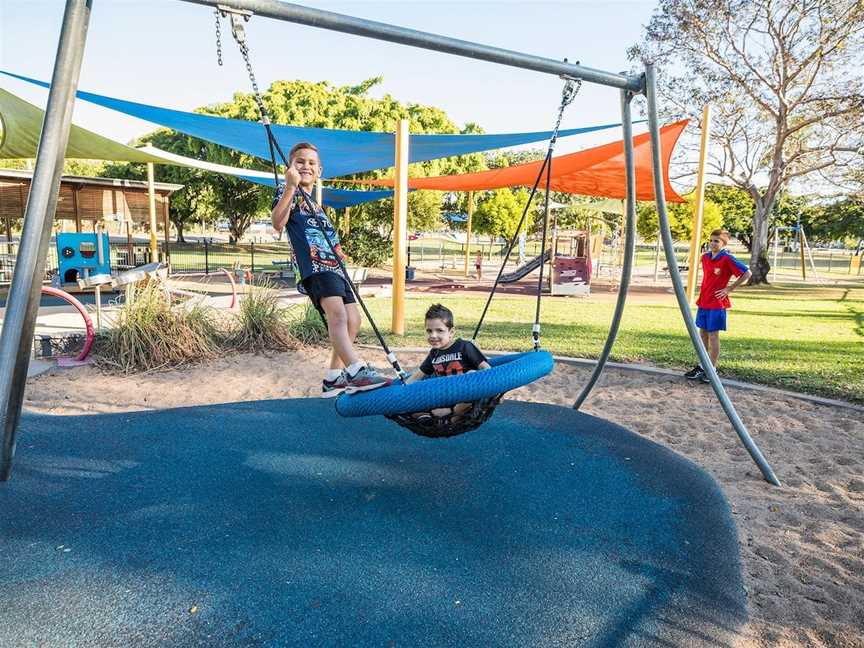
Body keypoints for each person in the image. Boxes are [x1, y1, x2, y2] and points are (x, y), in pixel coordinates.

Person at [270, 142, 391, 397]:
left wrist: (342, 263)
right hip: (315, 267)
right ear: (289, 168)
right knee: (337, 317)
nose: (306, 166)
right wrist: (290, 186)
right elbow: (277, 223)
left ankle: (334, 377)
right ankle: (356, 370)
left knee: (353, 321)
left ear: (319, 170)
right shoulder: (287, 192)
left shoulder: (316, 204)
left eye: (312, 163)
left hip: (336, 269)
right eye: (300, 161)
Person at [684, 229, 752, 383]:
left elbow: (747, 273)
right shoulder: (705, 257)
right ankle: (703, 366)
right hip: (704, 301)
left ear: (723, 243)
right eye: (711, 240)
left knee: (714, 336)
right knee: (703, 334)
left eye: (717, 241)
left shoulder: (727, 259)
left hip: (717, 303)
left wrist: (729, 289)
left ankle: (712, 369)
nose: (713, 243)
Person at [405, 303, 491, 418]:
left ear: (451, 332)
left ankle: (452, 413)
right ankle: (428, 417)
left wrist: (495, 392)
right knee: (412, 404)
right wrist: (401, 391)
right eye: (429, 331)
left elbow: (487, 370)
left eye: (439, 330)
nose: (433, 335)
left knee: (472, 374)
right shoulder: (433, 354)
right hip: (444, 396)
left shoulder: (464, 347)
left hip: (464, 395)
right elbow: (417, 376)